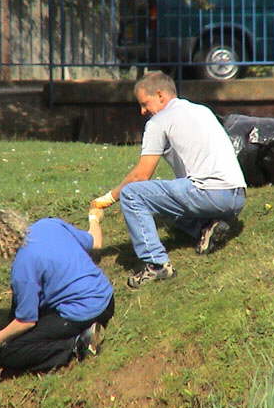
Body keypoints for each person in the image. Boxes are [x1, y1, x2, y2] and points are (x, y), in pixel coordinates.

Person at [91, 71, 247, 288]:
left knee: (133, 195)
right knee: (162, 198)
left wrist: (107, 199)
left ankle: (156, 264)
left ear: (160, 95)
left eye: (145, 103)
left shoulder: (159, 121)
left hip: (210, 193)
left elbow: (141, 175)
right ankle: (206, 228)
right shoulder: (202, 110)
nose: (142, 111)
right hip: (237, 195)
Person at [0, 207, 114, 373]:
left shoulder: (22, 268)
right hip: (106, 298)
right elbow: (95, 243)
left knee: (9, 353)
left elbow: (26, 322)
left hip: (82, 313)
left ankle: (78, 344)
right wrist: (94, 218)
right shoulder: (50, 225)